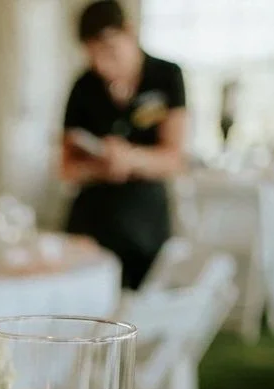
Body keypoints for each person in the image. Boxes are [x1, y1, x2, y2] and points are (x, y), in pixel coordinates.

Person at [61, 1, 187, 289]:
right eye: (95, 57)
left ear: (129, 33)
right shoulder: (83, 86)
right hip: (91, 220)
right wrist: (101, 167)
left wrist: (131, 158)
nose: (104, 66)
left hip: (145, 219)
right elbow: (66, 168)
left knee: (140, 306)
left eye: (111, 52)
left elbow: (175, 158)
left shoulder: (166, 76)